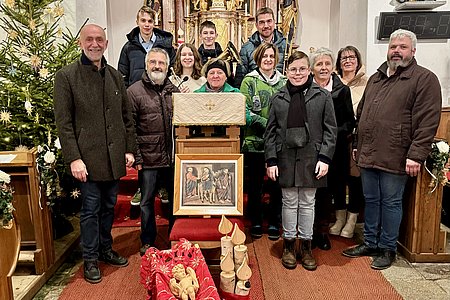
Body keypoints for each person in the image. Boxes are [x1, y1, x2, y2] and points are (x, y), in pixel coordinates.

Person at [342, 29, 442, 270]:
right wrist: (357, 145)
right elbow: (361, 113)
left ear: (413, 51)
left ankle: (388, 248)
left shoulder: (423, 79)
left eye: (403, 47)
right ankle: (370, 242)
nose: (397, 51)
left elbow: (428, 121)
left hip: (397, 154)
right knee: (371, 200)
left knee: (391, 202)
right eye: (393, 46)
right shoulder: (376, 78)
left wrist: (416, 154)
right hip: (368, 153)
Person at [53, 24, 136, 284]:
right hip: (86, 161)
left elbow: (126, 118)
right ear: (81, 43)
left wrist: (129, 148)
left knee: (109, 207)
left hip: (112, 158)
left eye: (99, 39)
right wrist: (73, 158)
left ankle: (105, 249)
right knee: (90, 209)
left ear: (106, 43)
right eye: (89, 39)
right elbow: (63, 123)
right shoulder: (66, 77)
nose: (94, 44)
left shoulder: (114, 76)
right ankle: (89, 259)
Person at [264, 51, 337, 271]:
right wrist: (271, 160)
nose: (298, 73)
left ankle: (305, 247)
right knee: (288, 201)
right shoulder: (278, 98)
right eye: (293, 69)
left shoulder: (322, 97)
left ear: (309, 70)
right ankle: (288, 245)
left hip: (312, 158)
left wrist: (324, 157)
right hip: (285, 157)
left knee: (307, 202)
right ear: (287, 71)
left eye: (302, 69)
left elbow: (331, 130)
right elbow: (270, 132)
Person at [127, 47, 179, 256]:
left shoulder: (174, 91)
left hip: (171, 157)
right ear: (147, 65)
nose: (157, 66)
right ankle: (148, 240)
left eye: (161, 63)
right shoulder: (134, 91)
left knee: (176, 201)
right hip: (148, 159)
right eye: (153, 62)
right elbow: (129, 126)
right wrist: (137, 156)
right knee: (147, 202)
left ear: (167, 67)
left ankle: (175, 237)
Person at [240, 43, 286, 241]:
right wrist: (269, 125)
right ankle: (256, 220)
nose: (268, 59)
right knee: (255, 185)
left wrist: (277, 128)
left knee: (277, 185)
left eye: (271, 56)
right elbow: (245, 110)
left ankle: (275, 221)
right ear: (258, 59)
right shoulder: (249, 81)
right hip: (254, 141)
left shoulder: (284, 81)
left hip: (279, 143)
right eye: (264, 56)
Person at [310, 47, 355, 251]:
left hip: (334, 150)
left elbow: (349, 122)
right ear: (312, 68)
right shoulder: (305, 88)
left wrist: (331, 133)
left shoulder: (341, 90)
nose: (323, 67)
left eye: (327, 63)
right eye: (319, 64)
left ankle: (322, 231)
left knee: (328, 192)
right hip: (310, 150)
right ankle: (307, 231)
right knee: (313, 192)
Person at [331, 45, 368, 238]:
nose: (348, 60)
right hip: (338, 137)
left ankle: (352, 220)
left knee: (355, 180)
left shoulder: (367, 82)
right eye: (344, 57)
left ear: (357, 60)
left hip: (357, 138)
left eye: (351, 57)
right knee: (337, 178)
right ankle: (339, 218)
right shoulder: (334, 81)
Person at [118, 6, 176, 88]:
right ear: (137, 22)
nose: (147, 24)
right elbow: (122, 77)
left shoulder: (166, 46)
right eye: (143, 21)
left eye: (150, 21)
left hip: (161, 93)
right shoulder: (128, 48)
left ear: (154, 23)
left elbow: (173, 72)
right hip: (136, 95)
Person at [235, 7, 287, 87]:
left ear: (274, 22)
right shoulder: (246, 48)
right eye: (262, 22)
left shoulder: (285, 45)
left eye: (269, 21)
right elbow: (240, 79)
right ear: (256, 25)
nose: (266, 26)